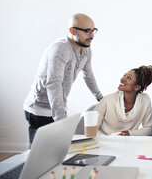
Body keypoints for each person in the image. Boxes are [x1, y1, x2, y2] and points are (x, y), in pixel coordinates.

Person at [23, 13, 103, 146]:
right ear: (72, 31)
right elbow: (53, 84)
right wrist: (61, 121)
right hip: (39, 109)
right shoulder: (60, 49)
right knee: (38, 156)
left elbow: (88, 75)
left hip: (57, 108)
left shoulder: (86, 50)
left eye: (93, 30)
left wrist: (100, 98)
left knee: (55, 152)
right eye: (87, 31)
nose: (92, 35)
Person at [95, 65, 152, 136]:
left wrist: (128, 133)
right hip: (103, 143)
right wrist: (109, 139)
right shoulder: (107, 101)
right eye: (124, 75)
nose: (122, 79)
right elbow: (92, 129)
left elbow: (149, 129)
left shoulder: (144, 100)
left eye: (129, 78)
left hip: (128, 143)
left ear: (137, 87)